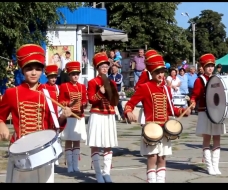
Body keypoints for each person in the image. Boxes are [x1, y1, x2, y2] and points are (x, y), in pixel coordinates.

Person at [0, 44, 72, 183]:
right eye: (29, 69)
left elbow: (53, 126)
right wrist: (1, 124)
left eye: (38, 69)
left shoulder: (49, 93)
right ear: (22, 70)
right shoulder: (11, 93)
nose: (34, 73)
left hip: (43, 152)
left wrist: (63, 116)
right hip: (20, 152)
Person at [124, 54, 191, 183]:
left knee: (162, 157)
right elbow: (130, 103)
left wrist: (183, 111)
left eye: (162, 72)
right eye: (157, 72)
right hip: (151, 128)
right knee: (152, 157)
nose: (161, 75)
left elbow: (171, 109)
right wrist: (128, 112)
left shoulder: (166, 89)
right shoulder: (145, 87)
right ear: (151, 72)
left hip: (165, 128)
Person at [190, 54, 226, 175]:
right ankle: (209, 166)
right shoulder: (199, 80)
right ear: (203, 67)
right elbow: (195, 95)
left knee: (217, 138)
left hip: (217, 112)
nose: (210, 68)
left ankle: (216, 165)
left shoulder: (217, 79)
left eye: (212, 66)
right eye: (208, 66)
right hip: (205, 111)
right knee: (207, 138)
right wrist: (193, 101)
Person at [87, 53, 119, 183]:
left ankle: (107, 173)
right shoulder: (92, 82)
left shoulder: (112, 82)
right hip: (97, 114)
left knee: (108, 144)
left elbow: (114, 100)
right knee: (96, 144)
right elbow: (91, 100)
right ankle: (98, 173)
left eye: (106, 66)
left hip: (109, 115)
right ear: (97, 68)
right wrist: (100, 92)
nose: (105, 69)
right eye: (102, 66)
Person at [58, 61, 87, 173]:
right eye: (73, 74)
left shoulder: (82, 86)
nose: (75, 76)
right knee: (69, 140)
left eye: (77, 74)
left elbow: (85, 100)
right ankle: (69, 165)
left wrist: (83, 104)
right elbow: (60, 100)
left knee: (77, 140)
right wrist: (69, 103)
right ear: (69, 75)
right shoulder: (64, 86)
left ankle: (76, 165)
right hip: (69, 117)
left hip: (79, 116)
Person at [43, 64, 62, 165]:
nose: (53, 79)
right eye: (51, 77)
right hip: (47, 114)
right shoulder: (43, 87)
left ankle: (56, 155)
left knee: (57, 136)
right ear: (47, 77)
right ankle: (49, 156)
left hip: (57, 114)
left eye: (55, 77)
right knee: (48, 136)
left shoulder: (58, 88)